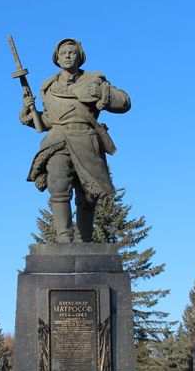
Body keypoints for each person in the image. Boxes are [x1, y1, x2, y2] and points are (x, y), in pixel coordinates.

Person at [20, 38, 131, 243]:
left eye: (72, 52)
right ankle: (63, 238)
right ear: (57, 59)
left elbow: (124, 103)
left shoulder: (93, 80)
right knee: (58, 183)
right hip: (58, 139)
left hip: (86, 140)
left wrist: (101, 93)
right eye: (63, 53)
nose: (67, 56)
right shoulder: (48, 87)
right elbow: (48, 121)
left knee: (88, 195)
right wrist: (29, 112)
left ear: (80, 57)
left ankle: (84, 240)